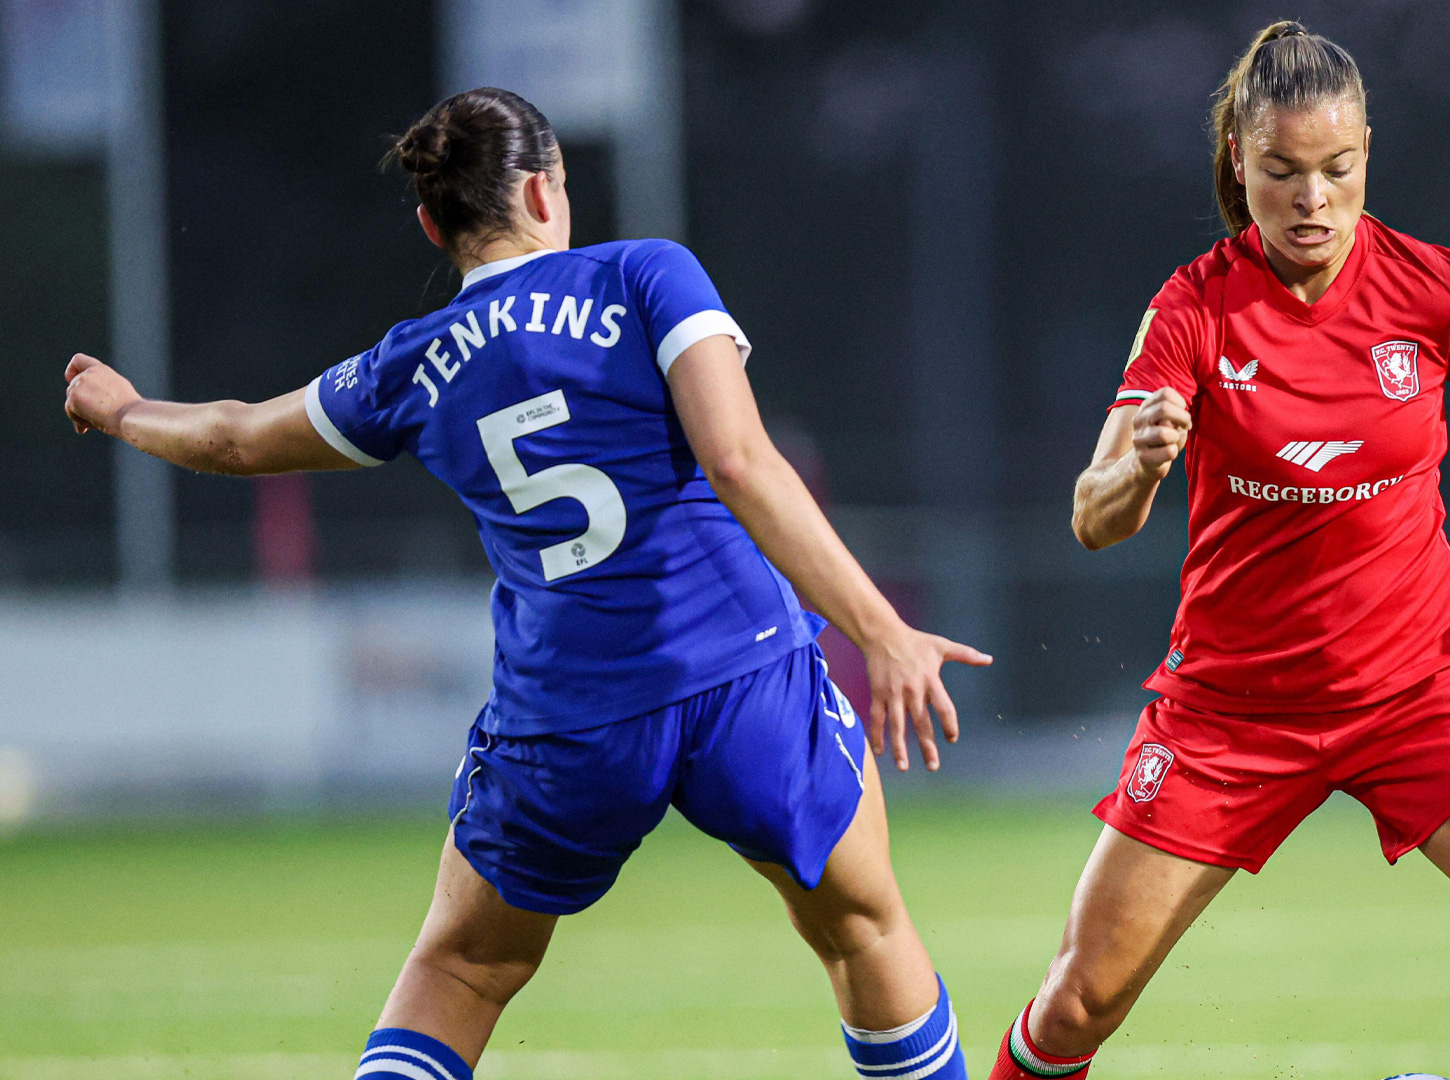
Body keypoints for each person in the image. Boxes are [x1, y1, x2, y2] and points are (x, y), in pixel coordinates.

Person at [64, 88, 982, 1080]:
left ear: (433, 222)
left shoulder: (408, 367)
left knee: (461, 968)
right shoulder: (644, 275)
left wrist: (124, 412)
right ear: (544, 191)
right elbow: (740, 460)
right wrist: (878, 629)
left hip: (569, 716)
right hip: (740, 675)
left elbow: (235, 438)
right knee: (862, 928)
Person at [987, 22, 1450, 1080]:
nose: (1312, 199)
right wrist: (1137, 463)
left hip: (1419, 683)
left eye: (1337, 169)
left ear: (1369, 148)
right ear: (1240, 157)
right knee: (1077, 1002)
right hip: (1232, 708)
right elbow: (1095, 516)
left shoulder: (1439, 287)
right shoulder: (1192, 309)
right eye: (1282, 171)